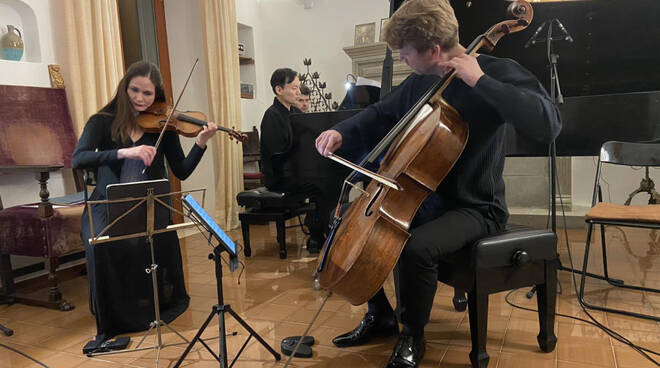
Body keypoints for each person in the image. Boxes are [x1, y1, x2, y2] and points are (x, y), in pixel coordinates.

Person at [315, 1, 562, 367]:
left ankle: (412, 334)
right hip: (424, 200)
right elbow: (381, 113)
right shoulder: (420, 80)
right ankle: (380, 315)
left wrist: (479, 80)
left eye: (404, 52)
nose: (401, 59)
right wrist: (341, 131)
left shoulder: (495, 71)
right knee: (347, 229)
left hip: (476, 207)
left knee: (416, 247)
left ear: (432, 50)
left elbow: (549, 123)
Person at [72, 61, 218, 349]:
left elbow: (182, 170)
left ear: (157, 95)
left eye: (148, 94)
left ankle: (147, 307)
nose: (140, 99)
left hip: (149, 203)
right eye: (135, 90)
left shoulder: (164, 124)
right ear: (124, 88)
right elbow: (79, 159)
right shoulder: (103, 121)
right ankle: (112, 319)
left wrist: (200, 143)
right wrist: (125, 152)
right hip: (107, 203)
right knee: (99, 244)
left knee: (153, 242)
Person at [259, 68, 330, 253]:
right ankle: (316, 236)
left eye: (298, 87)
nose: (298, 92)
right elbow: (278, 154)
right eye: (294, 87)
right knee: (320, 185)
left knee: (327, 180)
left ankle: (323, 231)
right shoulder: (272, 115)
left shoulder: (291, 113)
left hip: (293, 171)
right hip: (279, 177)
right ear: (279, 90)